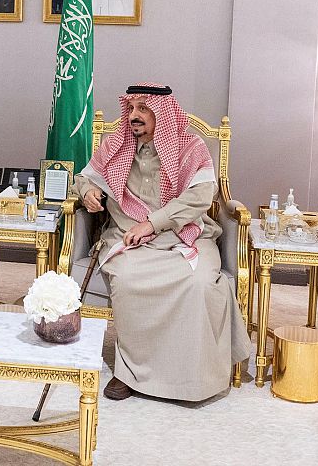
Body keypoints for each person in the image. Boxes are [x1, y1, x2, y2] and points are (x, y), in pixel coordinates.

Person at [73, 83, 251, 402]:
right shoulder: (116, 144)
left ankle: (192, 379)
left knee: (200, 283)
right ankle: (129, 373)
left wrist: (153, 223)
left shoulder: (190, 147)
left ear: (163, 113)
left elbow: (201, 196)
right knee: (127, 279)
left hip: (183, 234)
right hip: (128, 237)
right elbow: (84, 177)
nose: (134, 115)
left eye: (143, 108)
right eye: (131, 108)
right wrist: (87, 191)